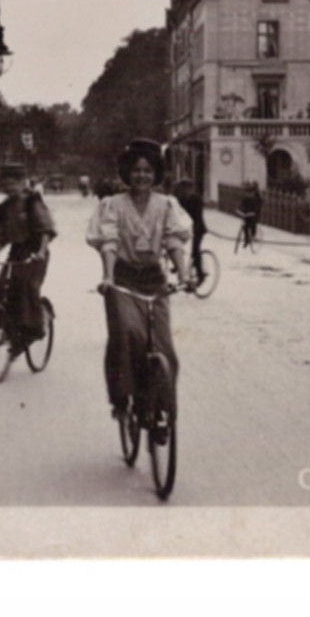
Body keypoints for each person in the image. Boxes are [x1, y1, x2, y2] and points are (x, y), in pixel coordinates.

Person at [86, 139, 192, 437]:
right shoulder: (113, 206)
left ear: (155, 173)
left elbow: (173, 241)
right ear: (127, 173)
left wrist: (183, 275)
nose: (142, 176)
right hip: (122, 281)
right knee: (129, 335)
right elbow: (109, 242)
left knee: (165, 350)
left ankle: (160, 411)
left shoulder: (167, 205)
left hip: (154, 280)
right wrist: (107, 277)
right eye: (136, 170)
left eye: (147, 170)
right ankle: (122, 399)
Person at [0, 162, 55, 355]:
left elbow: (45, 230)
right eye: (5, 182)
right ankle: (10, 332)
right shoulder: (2, 208)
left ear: (21, 182)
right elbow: (2, 236)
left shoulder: (32, 201)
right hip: (16, 252)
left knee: (26, 287)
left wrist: (41, 252)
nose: (9, 186)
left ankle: (35, 329)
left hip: (35, 251)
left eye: (13, 182)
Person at [172, 178, 208, 284]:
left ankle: (200, 274)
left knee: (195, 251)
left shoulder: (196, 199)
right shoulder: (183, 198)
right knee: (176, 245)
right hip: (187, 227)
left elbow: (197, 216)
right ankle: (178, 265)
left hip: (198, 229)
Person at [237, 181, 263, 252]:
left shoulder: (257, 197)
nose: (250, 193)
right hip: (247, 213)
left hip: (254, 214)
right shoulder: (248, 197)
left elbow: (258, 205)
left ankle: (252, 235)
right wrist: (239, 210)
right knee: (245, 227)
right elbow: (242, 204)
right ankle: (246, 240)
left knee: (252, 225)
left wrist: (254, 212)